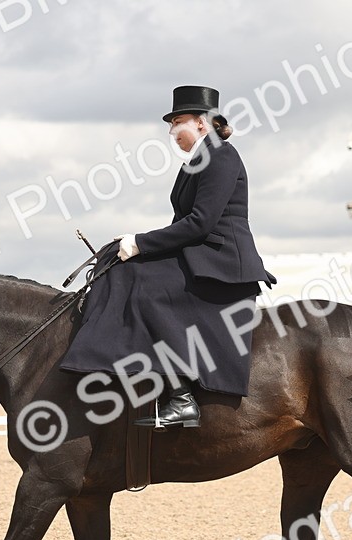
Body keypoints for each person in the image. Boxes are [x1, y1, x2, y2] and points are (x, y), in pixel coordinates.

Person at [60, 85, 276, 429]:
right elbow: (185, 225)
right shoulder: (197, 161)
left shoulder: (222, 155)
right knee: (118, 267)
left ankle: (181, 397)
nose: (172, 131)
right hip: (202, 256)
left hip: (222, 264)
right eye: (170, 123)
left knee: (142, 284)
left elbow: (200, 223)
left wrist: (141, 243)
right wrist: (129, 245)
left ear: (203, 123)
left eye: (178, 122)